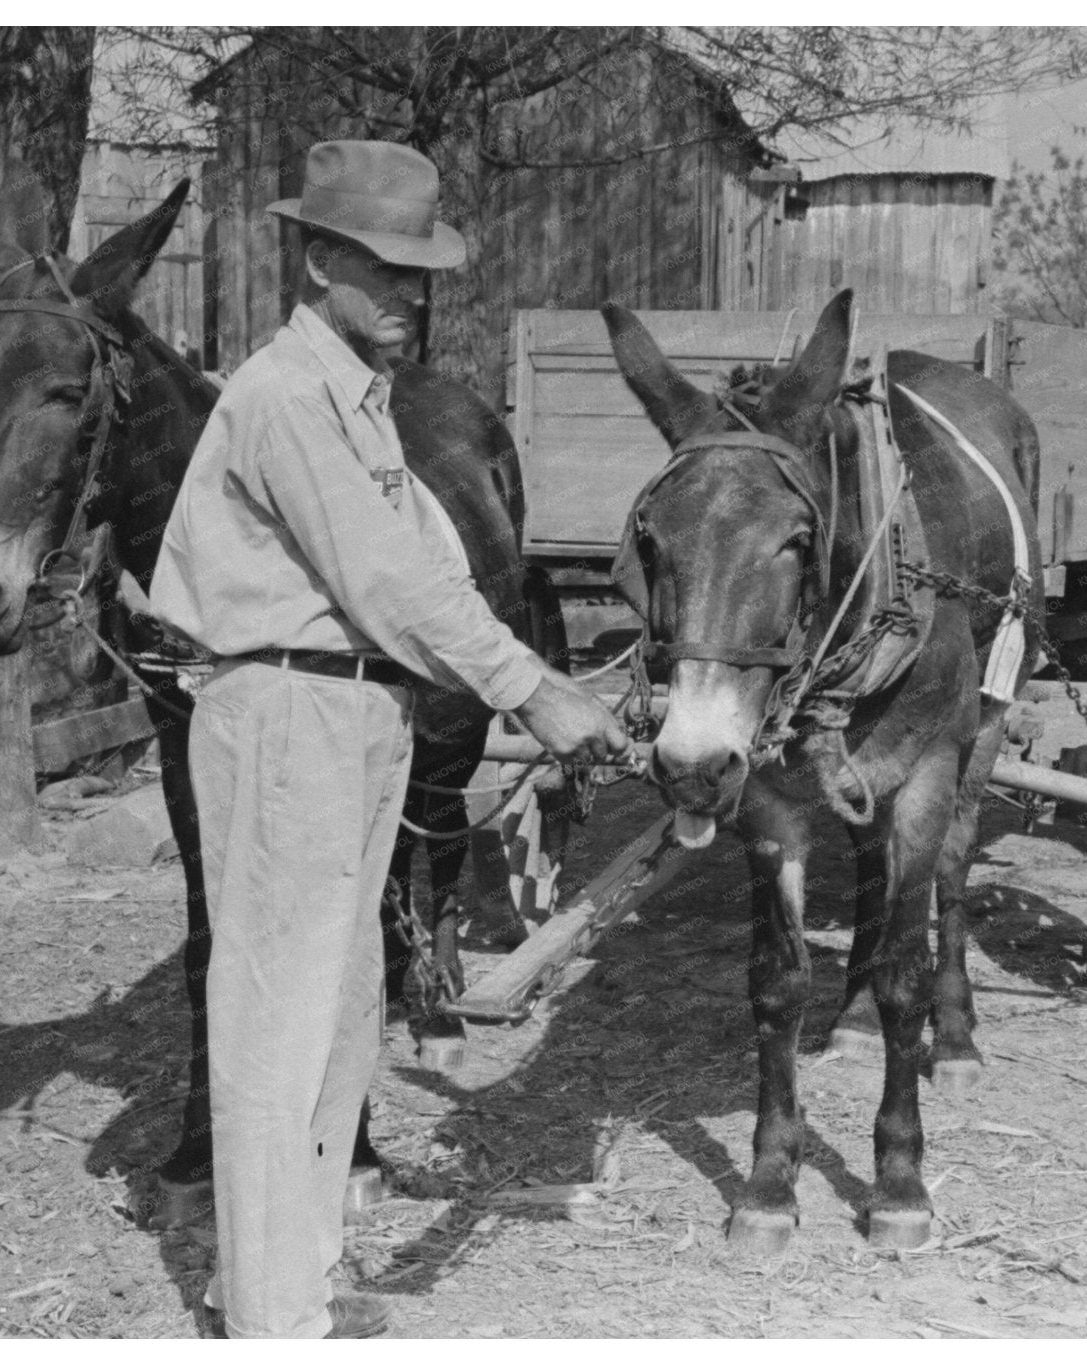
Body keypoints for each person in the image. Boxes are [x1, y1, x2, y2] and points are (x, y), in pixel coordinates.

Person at [147, 141, 629, 1341]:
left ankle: (293, 1281)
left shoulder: (355, 399)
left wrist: (548, 681)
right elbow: (381, 579)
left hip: (359, 709)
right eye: (385, 271)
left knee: (344, 1004)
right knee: (279, 1010)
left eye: (423, 273)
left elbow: (429, 567)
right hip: (286, 707)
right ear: (318, 264)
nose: (411, 294)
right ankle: (268, 1315)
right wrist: (535, 692)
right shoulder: (281, 397)